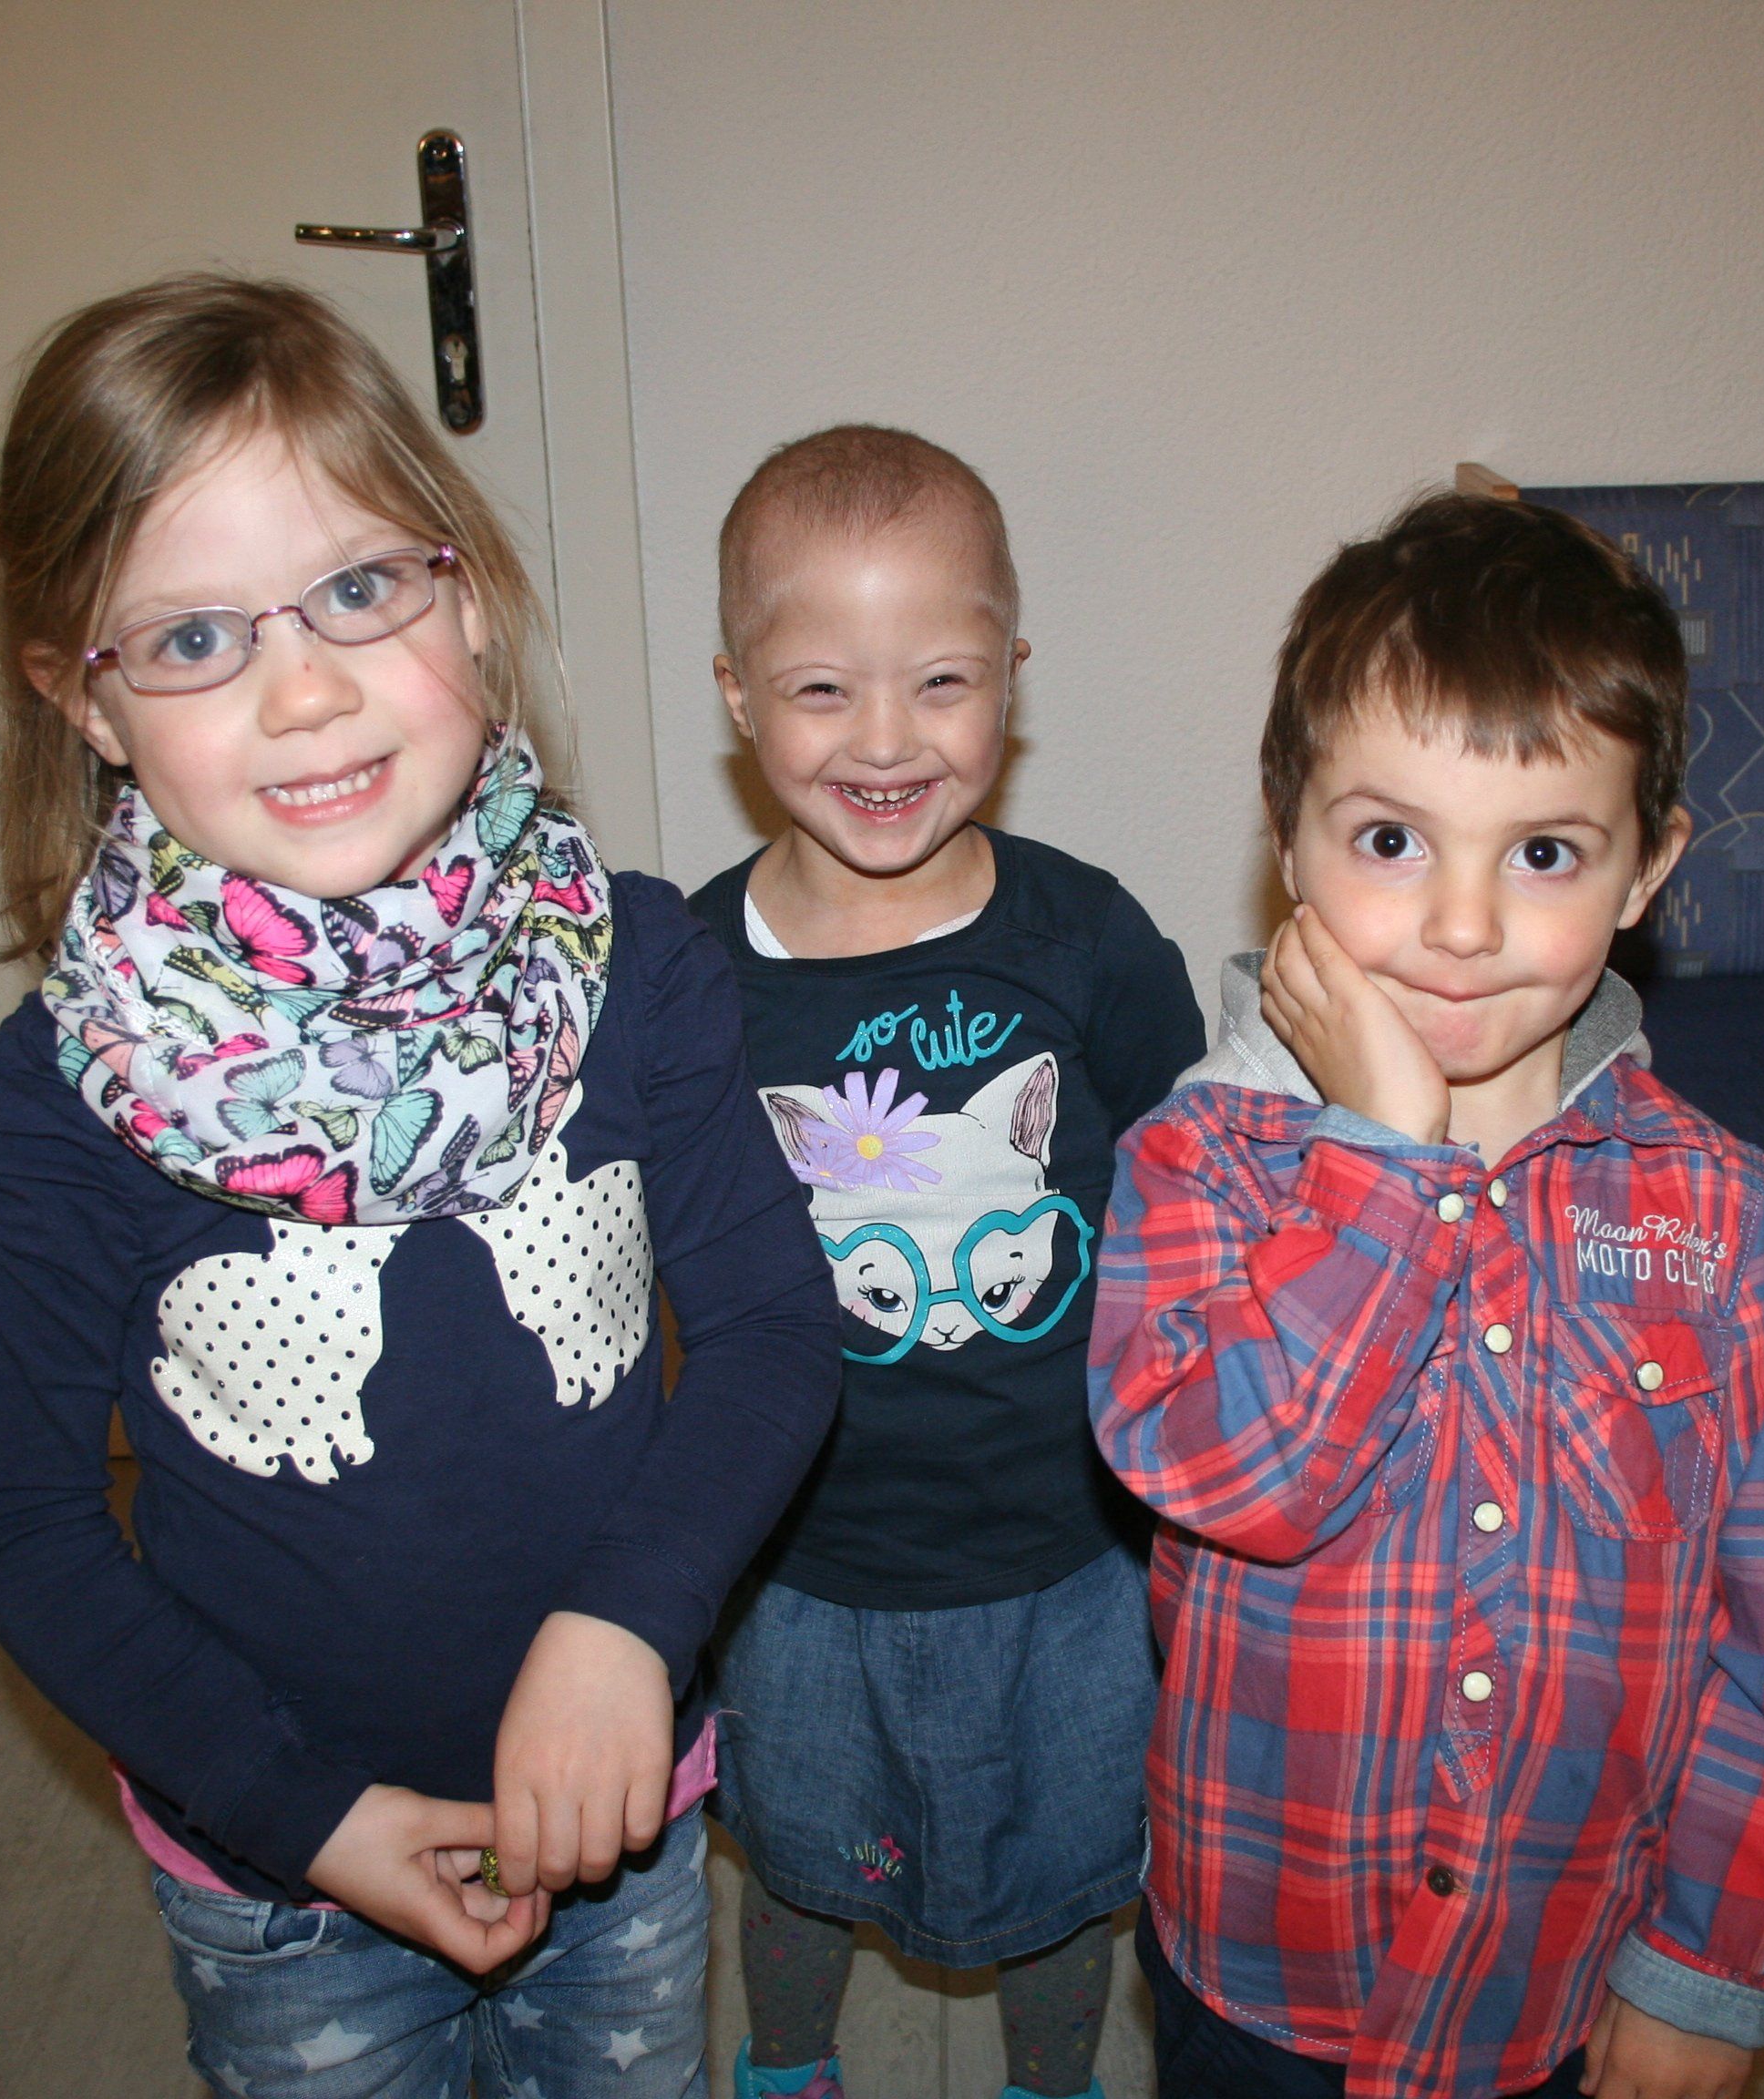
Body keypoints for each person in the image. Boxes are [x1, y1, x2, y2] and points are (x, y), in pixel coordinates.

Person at [0, 273, 838, 2099]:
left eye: (357, 591)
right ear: (86, 702)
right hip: (286, 1882)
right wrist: (307, 1815)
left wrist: (627, 1628)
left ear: (467, 596)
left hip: (623, 1815)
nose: (308, 689)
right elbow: (23, 1520)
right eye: (194, 639)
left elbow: (766, 1333)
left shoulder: (638, 967)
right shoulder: (57, 1106)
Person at [1090, 493, 1764, 2099]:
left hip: (1554, 1979)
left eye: (1545, 853)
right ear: (1285, 836)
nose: (1459, 926)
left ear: (1647, 868)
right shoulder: (1197, 1162)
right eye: (1390, 841)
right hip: (1264, 1970)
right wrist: (1385, 1156)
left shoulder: (1724, 1218)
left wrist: (1712, 1974)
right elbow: (1230, 1478)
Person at [685, 426, 1207, 2099]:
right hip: (800, 1555)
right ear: (738, 696)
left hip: (1070, 1548)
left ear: (1012, 681)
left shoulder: (1089, 939)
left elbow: (1194, 1197)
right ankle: (787, 2068)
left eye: (941, 681)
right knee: (797, 1856)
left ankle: (1054, 2083)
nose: (887, 739)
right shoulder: (687, 980)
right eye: (821, 689)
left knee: (1074, 1867)